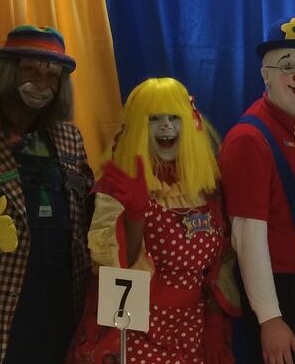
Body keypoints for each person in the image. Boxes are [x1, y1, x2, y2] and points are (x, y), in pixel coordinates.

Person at [69, 77, 239, 363]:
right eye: (154, 119)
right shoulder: (119, 187)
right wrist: (134, 215)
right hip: (137, 331)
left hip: (193, 331)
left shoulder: (204, 189)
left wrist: (213, 325)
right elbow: (115, 273)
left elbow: (220, 262)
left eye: (174, 117)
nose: (166, 126)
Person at [219, 17, 295, 364]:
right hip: (285, 297)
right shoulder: (250, 139)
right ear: (266, 75)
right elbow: (246, 235)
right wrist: (270, 318)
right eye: (287, 66)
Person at [0, 25, 94, 363]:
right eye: (31, 70)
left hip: (62, 305)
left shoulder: (69, 137)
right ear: (7, 72)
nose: (42, 82)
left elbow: (89, 210)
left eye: (52, 75)